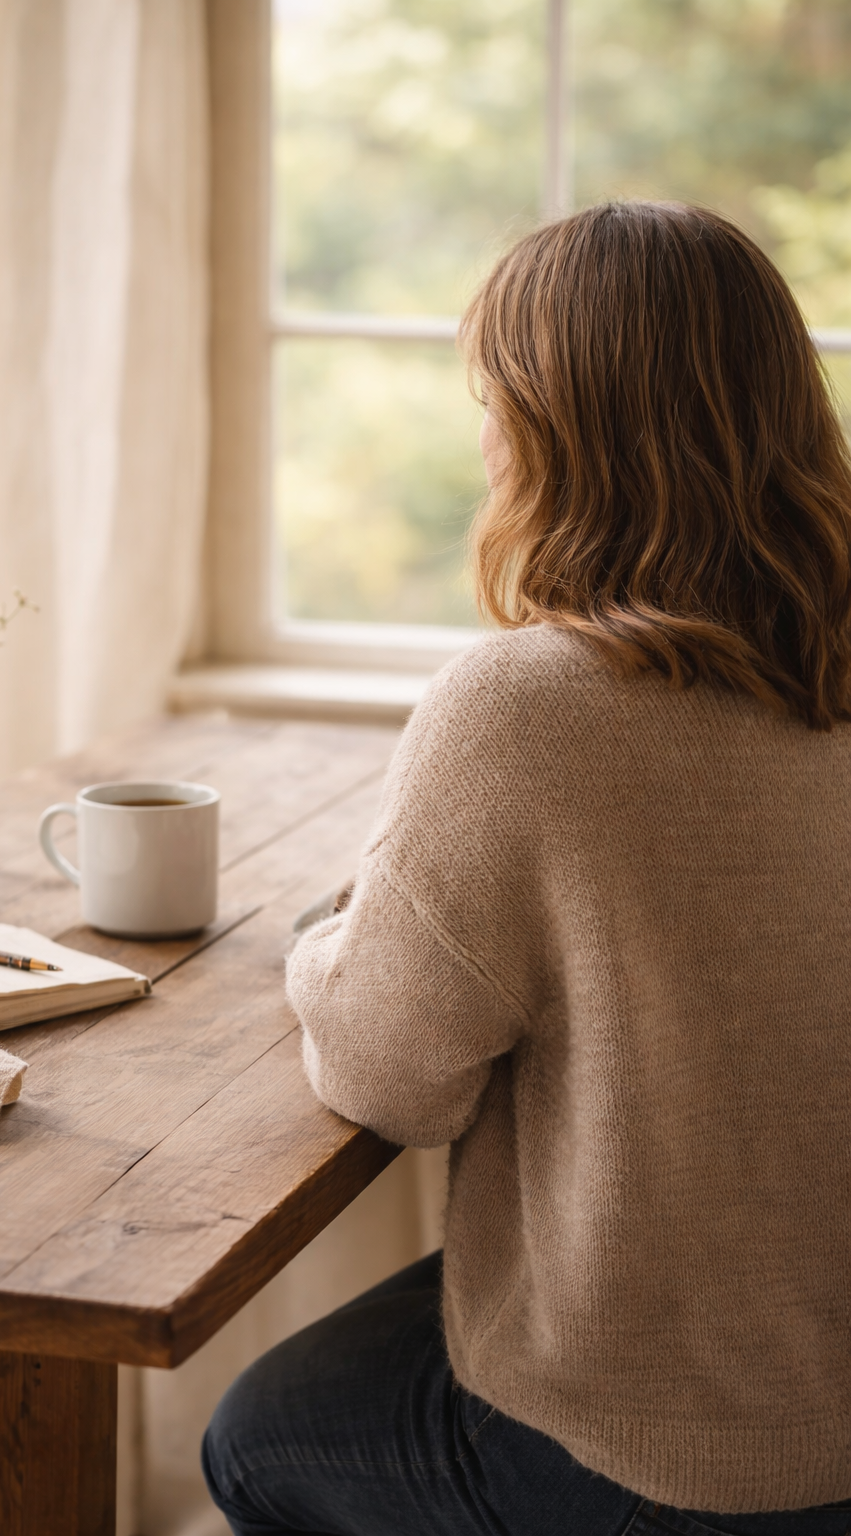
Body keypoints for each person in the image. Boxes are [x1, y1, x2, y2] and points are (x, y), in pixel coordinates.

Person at [201, 202, 851, 1536]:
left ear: (557, 430)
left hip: (675, 1455)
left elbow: (392, 1077)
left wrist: (326, 941)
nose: (482, 438)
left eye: (492, 399)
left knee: (255, 1439)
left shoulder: (528, 708)